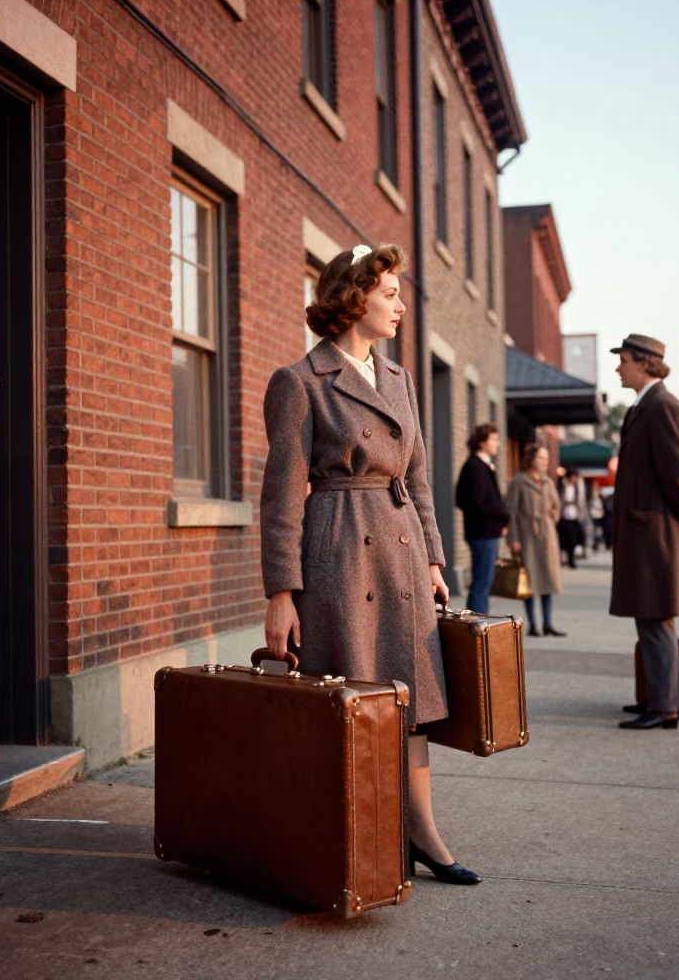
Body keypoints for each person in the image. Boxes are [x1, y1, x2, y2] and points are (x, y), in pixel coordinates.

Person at [261, 243, 480, 885]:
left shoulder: (401, 380)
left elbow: (419, 475)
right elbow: (280, 494)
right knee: (353, 698)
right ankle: (344, 838)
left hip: (403, 553)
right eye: (389, 294)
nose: (400, 306)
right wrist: (282, 591)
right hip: (339, 553)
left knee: (410, 696)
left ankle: (421, 832)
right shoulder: (299, 382)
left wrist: (436, 559)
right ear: (353, 299)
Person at [608, 334, 679, 731]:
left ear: (644, 363)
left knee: (656, 618)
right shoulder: (646, 406)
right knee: (649, 618)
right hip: (646, 531)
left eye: (624, 360)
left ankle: (664, 706)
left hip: (657, 533)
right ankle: (657, 697)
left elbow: (678, 473)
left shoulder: (663, 406)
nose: (618, 367)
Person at [505, 443, 566, 637]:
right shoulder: (519, 481)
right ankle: (532, 625)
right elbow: (510, 513)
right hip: (527, 537)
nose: (545, 462)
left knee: (548, 579)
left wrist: (551, 518)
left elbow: (557, 506)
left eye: (547, 458)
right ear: (531, 459)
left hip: (547, 537)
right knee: (529, 582)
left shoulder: (548, 482)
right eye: (542, 458)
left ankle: (548, 623)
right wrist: (513, 539)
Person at [454, 424, 510, 614]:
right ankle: (478, 626)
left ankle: (478, 624)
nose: (498, 443)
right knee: (482, 583)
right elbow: (475, 501)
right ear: (481, 442)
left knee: (483, 582)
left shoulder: (481, 466)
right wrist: (503, 516)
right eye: (493, 439)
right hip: (482, 533)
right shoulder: (475, 467)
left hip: (486, 531)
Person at [556, 468, 584, 568]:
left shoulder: (577, 486)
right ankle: (565, 559)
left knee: (574, 539)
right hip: (564, 516)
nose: (574, 478)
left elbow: (581, 501)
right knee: (564, 539)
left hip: (574, 515)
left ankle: (571, 559)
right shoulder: (562, 485)